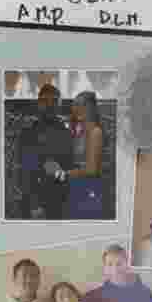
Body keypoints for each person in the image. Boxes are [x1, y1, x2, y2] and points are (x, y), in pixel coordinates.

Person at [16, 82, 73, 220]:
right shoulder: (28, 132)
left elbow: (71, 165)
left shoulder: (66, 133)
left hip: (60, 200)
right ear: (39, 104)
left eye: (54, 101)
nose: (50, 105)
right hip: (35, 200)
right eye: (45, 101)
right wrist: (34, 205)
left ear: (59, 104)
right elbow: (25, 171)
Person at [65, 90, 105, 219]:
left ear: (91, 109)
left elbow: (91, 170)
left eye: (81, 106)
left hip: (89, 189)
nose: (77, 110)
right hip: (76, 186)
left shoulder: (95, 133)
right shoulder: (79, 132)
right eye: (75, 106)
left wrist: (65, 174)